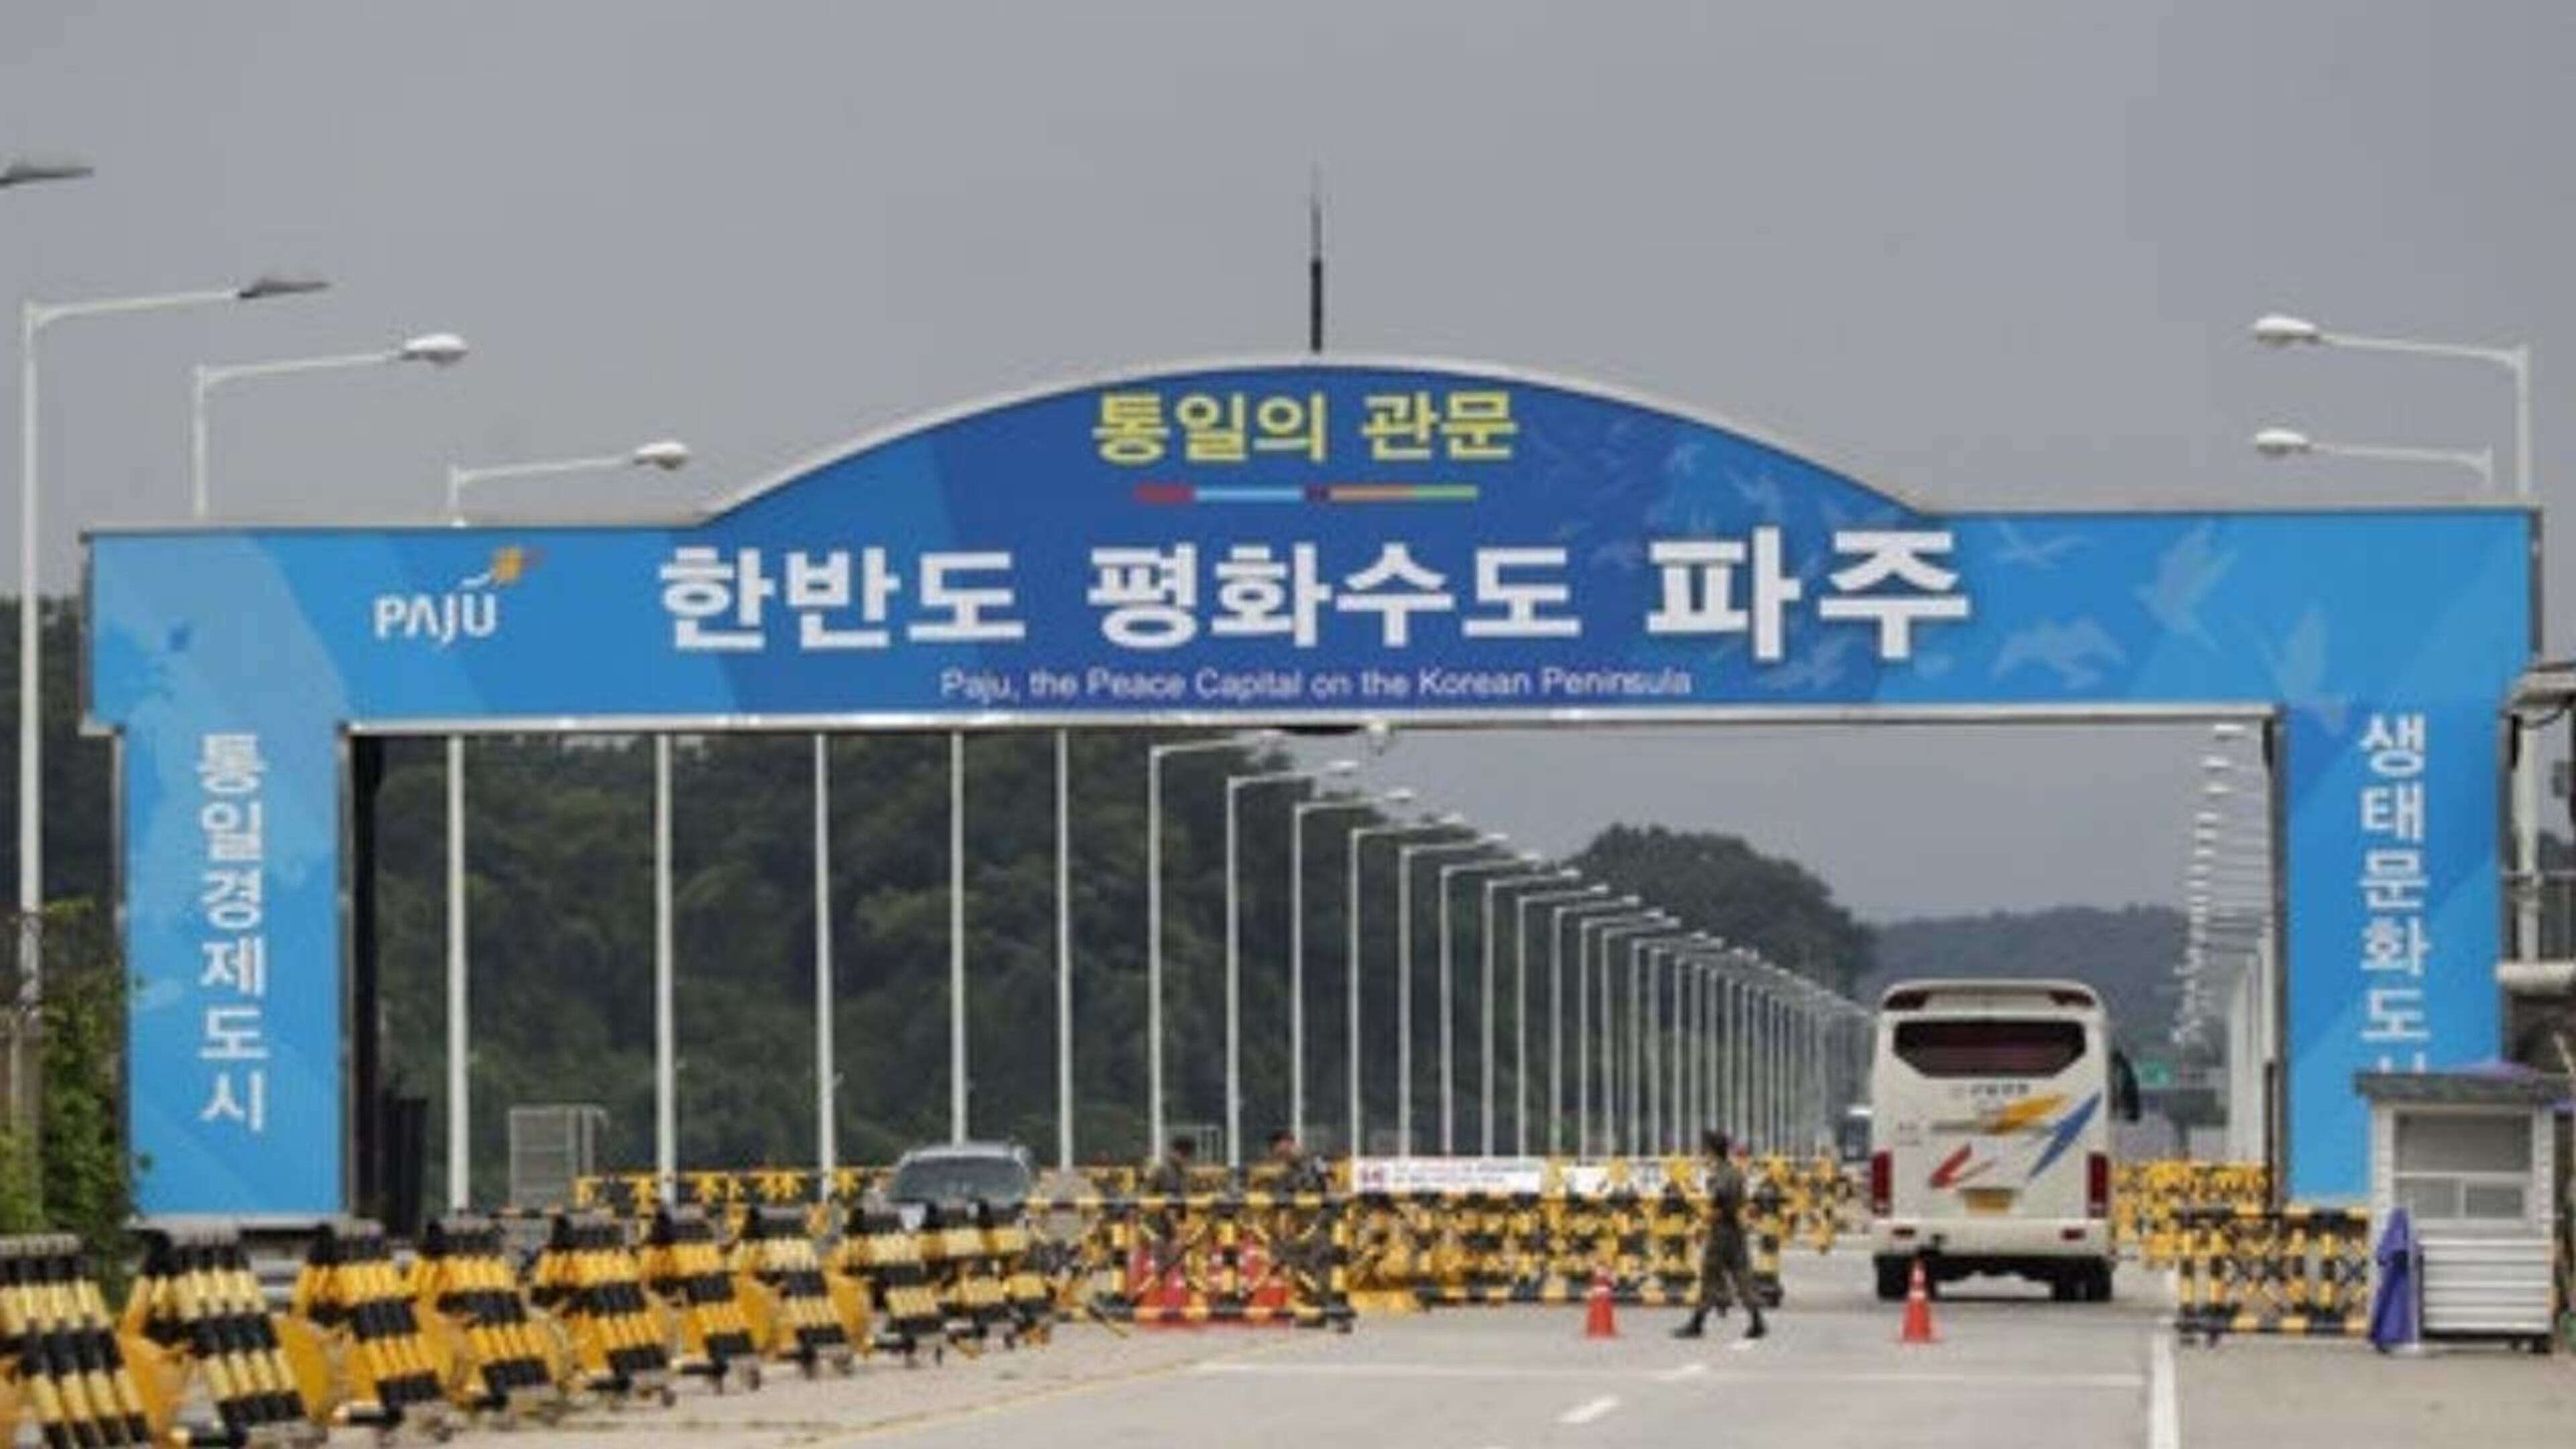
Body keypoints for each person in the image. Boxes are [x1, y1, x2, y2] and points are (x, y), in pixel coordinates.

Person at [1672, 1129, 1766, 1342]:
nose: (1704, 1155)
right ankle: (1757, 1320)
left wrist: (1701, 1225)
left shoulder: (1721, 1175)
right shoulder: (1736, 1172)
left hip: (1722, 1232)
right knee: (1742, 1276)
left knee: (1709, 1276)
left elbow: (1719, 1202)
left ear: (1713, 1151)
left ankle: (1697, 1323)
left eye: (1706, 1151)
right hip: (1737, 1232)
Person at [1263, 1128, 1328, 1194]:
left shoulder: (1317, 1160)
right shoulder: (1270, 1173)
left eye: (1288, 1144)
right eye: (1275, 1146)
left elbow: (1328, 1182)